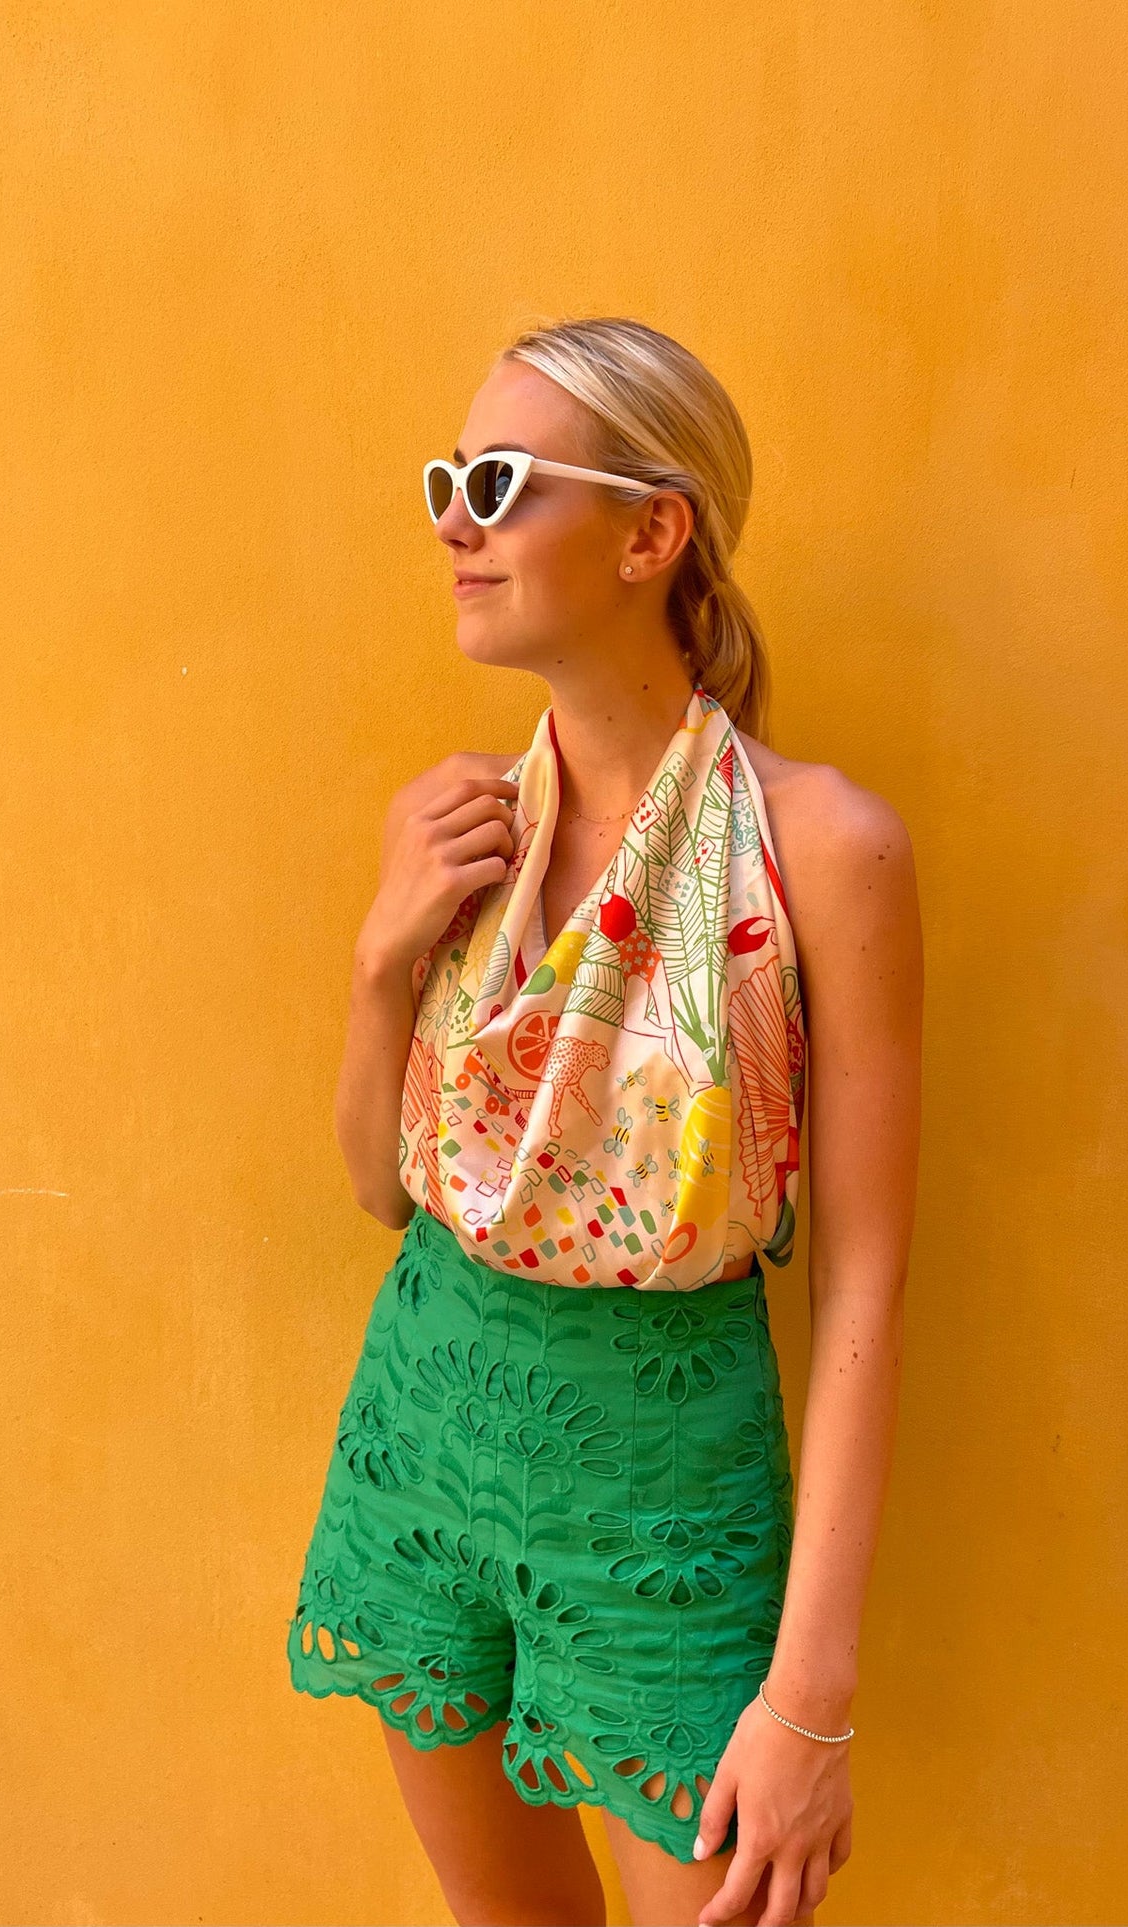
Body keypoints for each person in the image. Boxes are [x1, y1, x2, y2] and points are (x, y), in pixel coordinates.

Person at [286, 316, 923, 1927]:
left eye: (500, 484)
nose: (456, 524)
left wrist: (808, 1701)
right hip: (424, 1439)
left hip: (658, 1488)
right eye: (446, 483)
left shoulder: (820, 848)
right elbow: (382, 1190)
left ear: (651, 535)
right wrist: (379, 960)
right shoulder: (457, 825)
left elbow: (861, 1278)